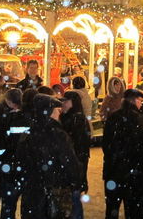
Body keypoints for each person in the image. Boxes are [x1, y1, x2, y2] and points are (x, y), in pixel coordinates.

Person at [17, 94, 81, 219]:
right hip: (54, 192)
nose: (59, 114)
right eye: (57, 111)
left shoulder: (27, 134)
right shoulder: (58, 135)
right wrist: (76, 181)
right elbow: (70, 164)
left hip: (31, 193)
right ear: (50, 112)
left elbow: (20, 163)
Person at [102, 89, 143, 219]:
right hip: (131, 173)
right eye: (140, 101)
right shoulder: (137, 118)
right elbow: (140, 145)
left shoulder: (113, 117)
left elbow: (106, 144)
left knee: (111, 207)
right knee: (132, 209)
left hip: (112, 170)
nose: (141, 104)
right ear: (134, 101)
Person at [0, 88, 30, 219]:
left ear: (8, 101)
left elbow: (1, 145)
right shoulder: (29, 119)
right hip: (24, 169)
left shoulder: (6, 119)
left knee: (8, 205)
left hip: (9, 169)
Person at [60, 91, 91, 219]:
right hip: (72, 166)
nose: (63, 104)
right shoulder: (67, 117)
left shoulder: (77, 119)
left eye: (66, 101)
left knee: (74, 199)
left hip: (74, 167)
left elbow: (80, 147)